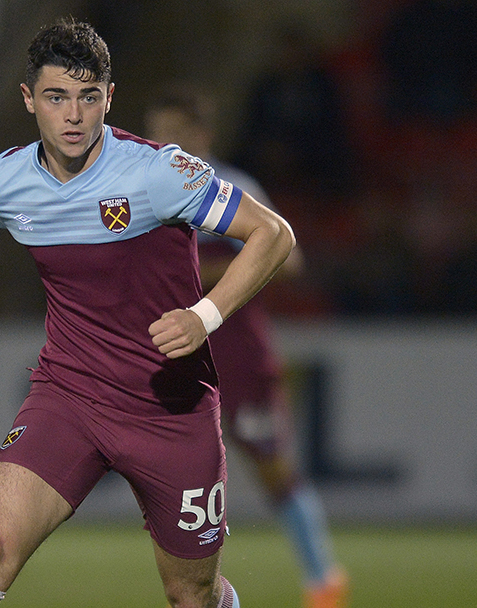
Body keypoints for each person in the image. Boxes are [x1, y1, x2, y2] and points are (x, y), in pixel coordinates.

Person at [0, 18, 295, 608]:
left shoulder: (158, 172)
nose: (73, 115)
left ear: (109, 98)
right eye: (56, 97)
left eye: (87, 97)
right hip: (69, 397)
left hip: (170, 410)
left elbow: (273, 236)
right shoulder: (5, 179)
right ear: (29, 100)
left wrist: (205, 315)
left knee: (190, 594)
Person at [144, 86, 350, 608]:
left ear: (201, 137)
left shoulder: (229, 185)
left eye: (176, 133)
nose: (163, 143)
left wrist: (204, 272)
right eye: (157, 132)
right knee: (168, 473)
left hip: (236, 353)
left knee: (270, 465)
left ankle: (323, 577)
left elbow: (292, 257)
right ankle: (200, 590)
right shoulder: (137, 189)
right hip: (172, 355)